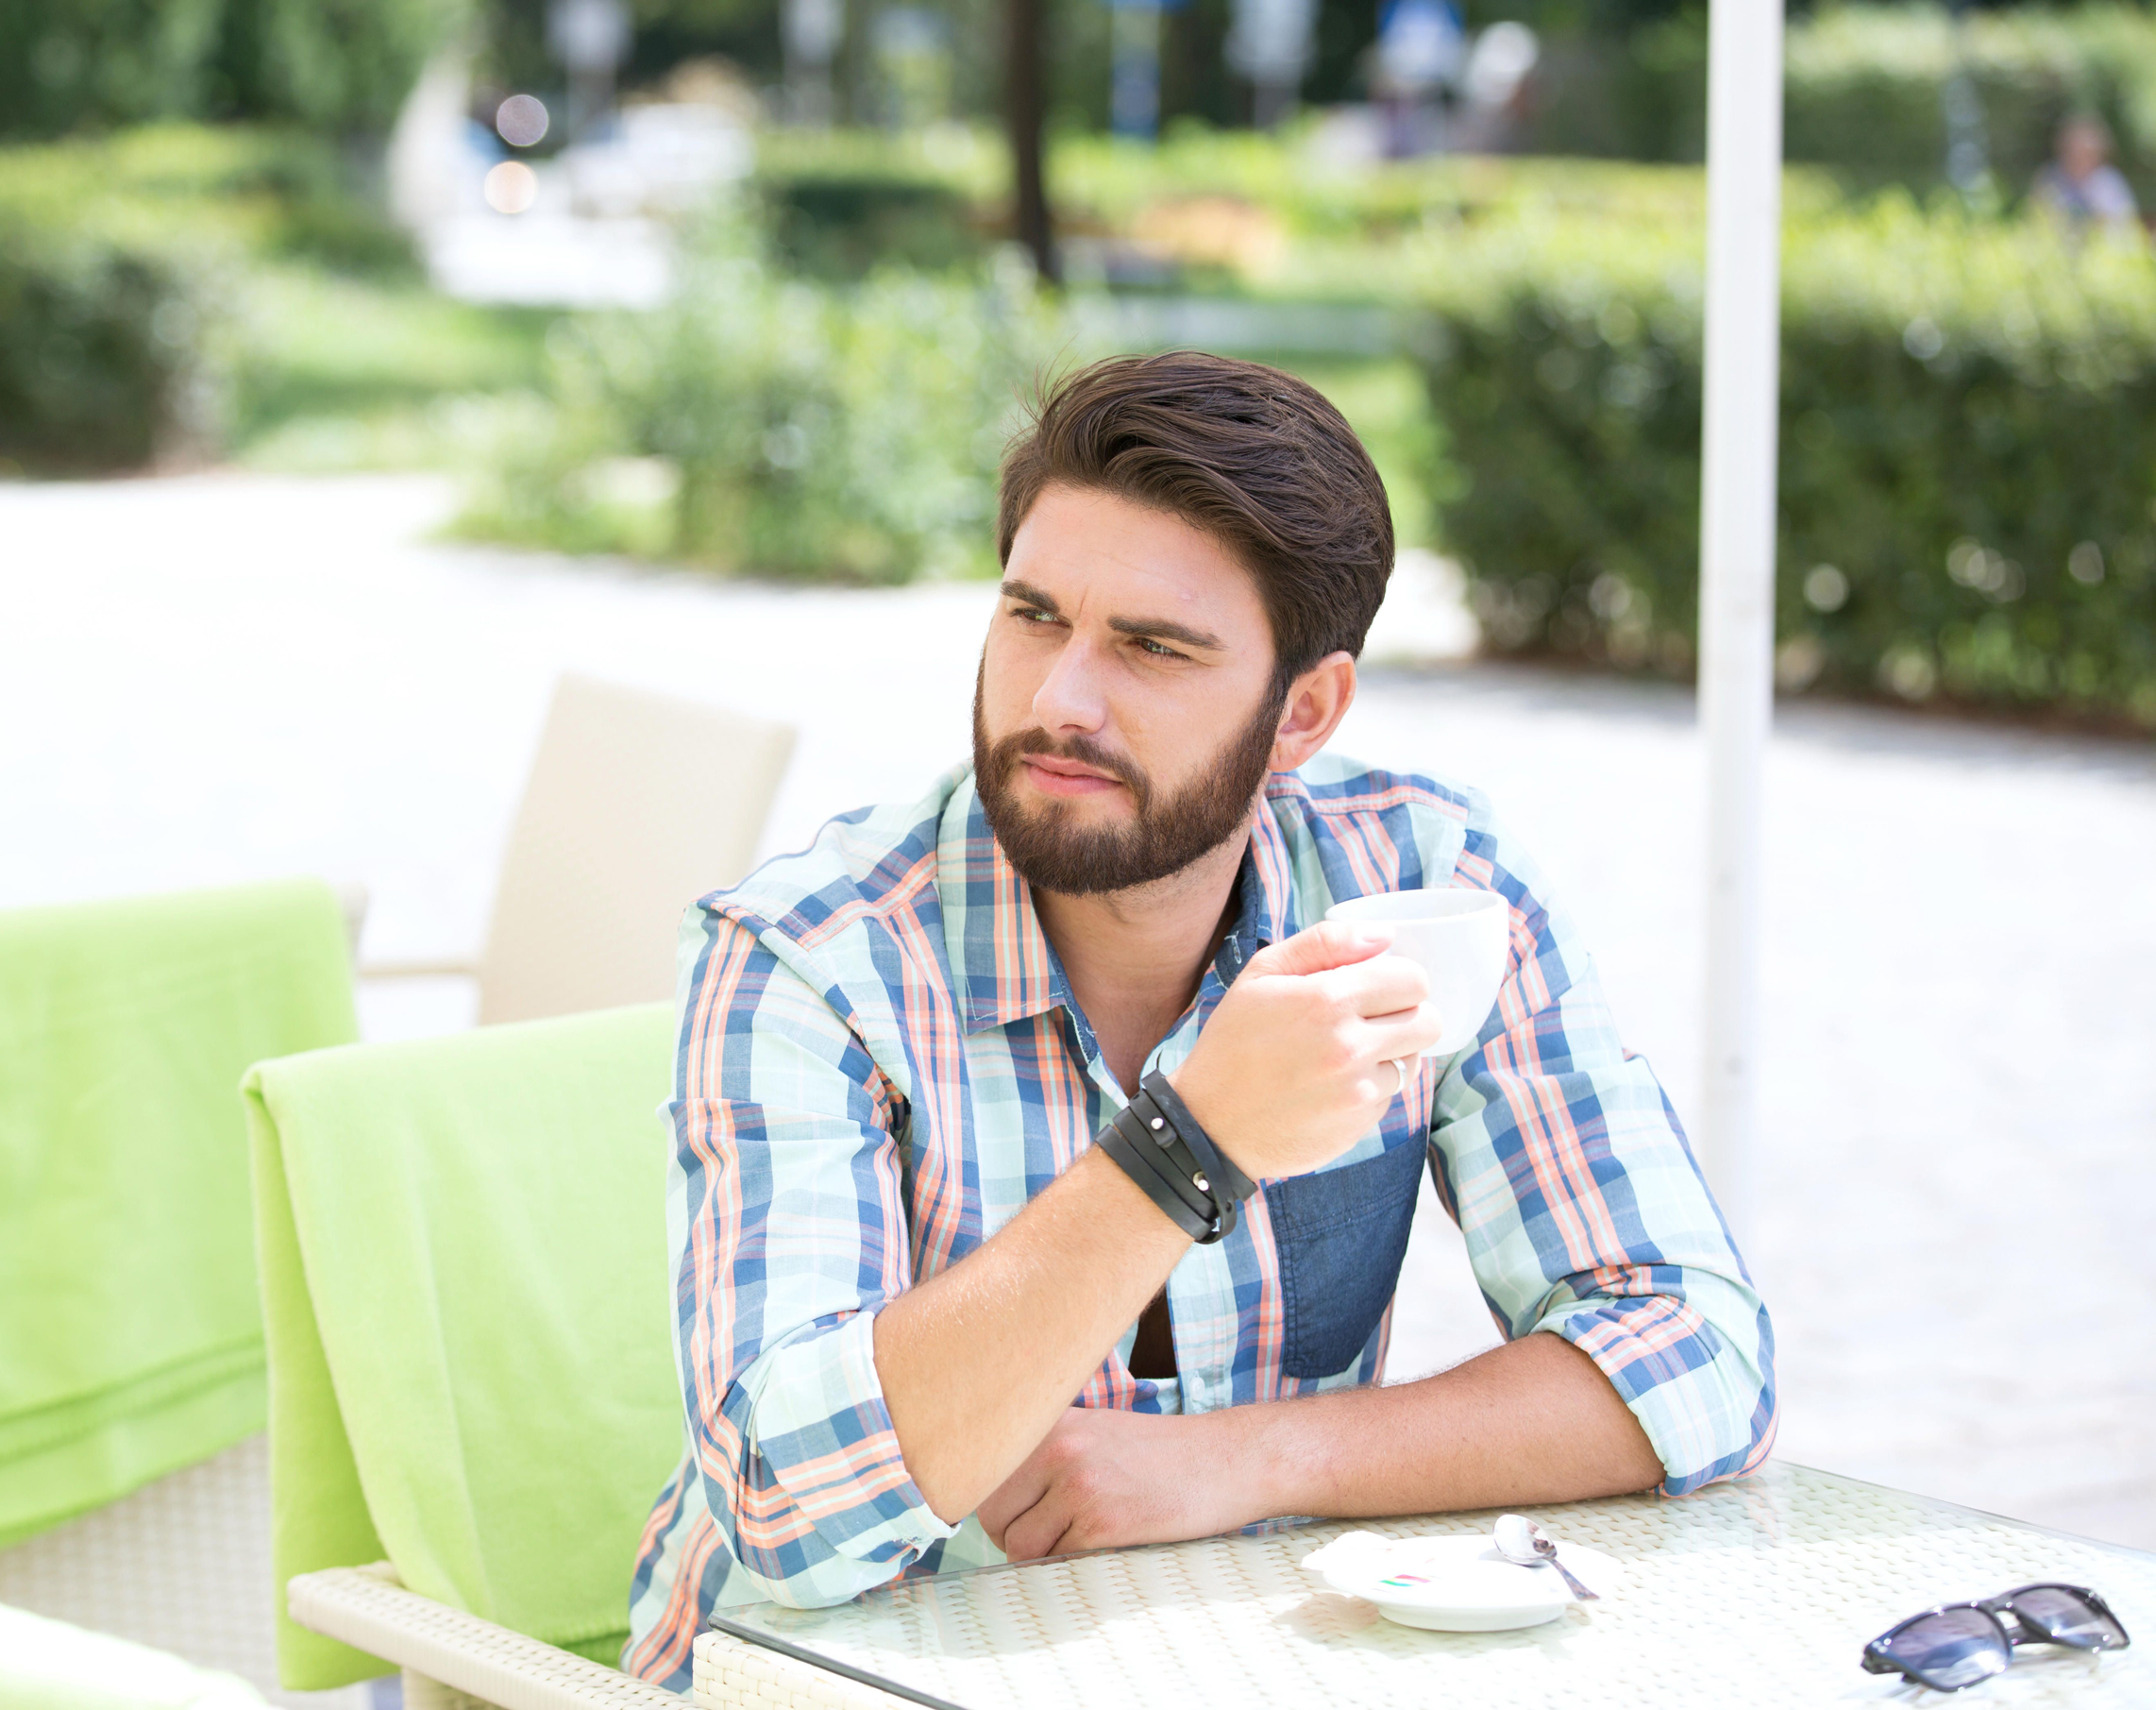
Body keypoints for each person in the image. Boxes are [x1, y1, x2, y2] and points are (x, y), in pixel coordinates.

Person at [621, 352, 1775, 1691]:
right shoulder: (811, 959)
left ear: (1304, 713)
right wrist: (1189, 1143)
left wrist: (1255, 1455)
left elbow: (1694, 1351)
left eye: (1153, 648)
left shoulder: (1424, 888)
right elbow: (784, 1502)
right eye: (1035, 616)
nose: (1061, 696)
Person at [2031, 113, 2141, 238]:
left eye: (2086, 153)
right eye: (2073, 150)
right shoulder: (2049, 179)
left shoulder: (2110, 183)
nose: (2079, 157)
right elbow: (2034, 220)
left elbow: (2125, 226)